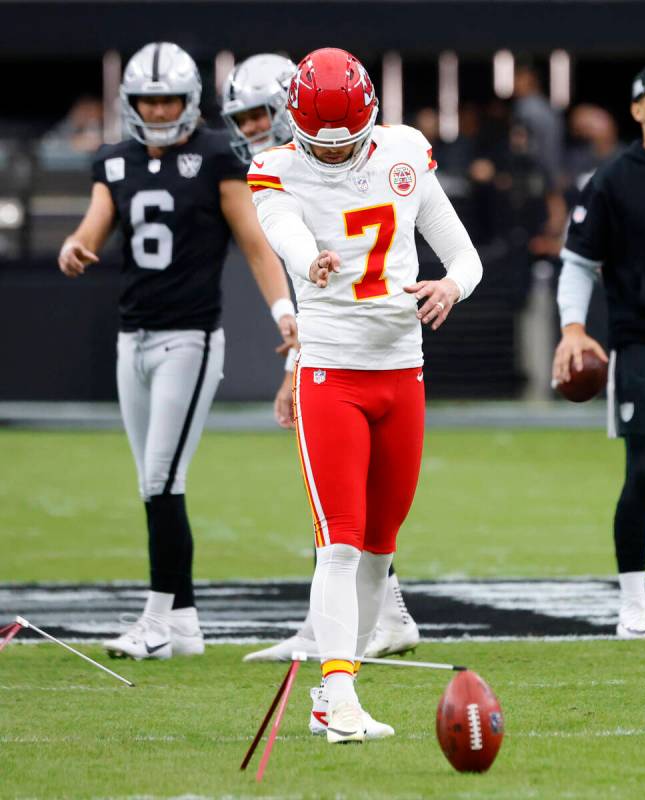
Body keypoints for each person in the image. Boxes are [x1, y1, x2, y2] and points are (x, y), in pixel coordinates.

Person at [250, 48, 482, 742]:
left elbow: (462, 254)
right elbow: (285, 230)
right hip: (332, 371)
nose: (335, 157)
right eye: (322, 148)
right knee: (340, 543)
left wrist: (450, 287)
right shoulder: (277, 166)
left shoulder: (403, 151)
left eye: (347, 144)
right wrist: (305, 258)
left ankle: (339, 690)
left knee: (381, 546)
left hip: (402, 371)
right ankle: (338, 694)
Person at [58, 42, 297, 660]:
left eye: (168, 99)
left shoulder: (218, 156)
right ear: (130, 104)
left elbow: (254, 244)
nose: (160, 111)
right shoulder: (113, 162)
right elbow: (94, 225)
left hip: (188, 337)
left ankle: (157, 617)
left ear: (190, 102)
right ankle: (184, 623)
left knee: (163, 478)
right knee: (152, 483)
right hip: (130, 336)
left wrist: (283, 312)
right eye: (148, 101)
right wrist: (75, 247)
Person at [222, 52, 422, 663]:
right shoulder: (287, 164)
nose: (255, 126)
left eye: (263, 112)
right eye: (246, 115)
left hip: (370, 344)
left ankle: (350, 628)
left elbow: (323, 277)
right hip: (344, 343)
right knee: (346, 504)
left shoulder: (339, 157)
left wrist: (296, 362)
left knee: (351, 508)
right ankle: (372, 620)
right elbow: (295, 257)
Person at [552, 61, 645, 640]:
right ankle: (634, 605)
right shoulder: (612, 179)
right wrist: (573, 329)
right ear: (637, 109)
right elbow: (578, 263)